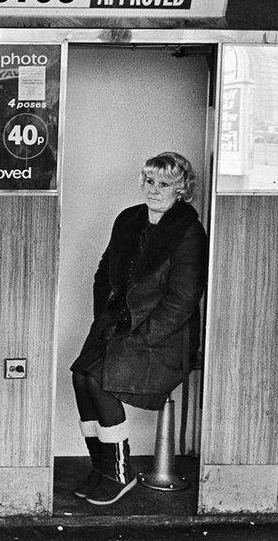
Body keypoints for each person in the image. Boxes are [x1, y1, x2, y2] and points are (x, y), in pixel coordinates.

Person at [70, 152, 207, 506]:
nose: (154, 189)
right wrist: (105, 318)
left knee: (98, 381)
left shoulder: (188, 231)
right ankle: (102, 467)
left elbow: (183, 299)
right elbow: (104, 272)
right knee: (81, 377)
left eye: (164, 183)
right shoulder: (129, 219)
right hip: (117, 327)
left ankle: (120, 473)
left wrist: (143, 338)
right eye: (149, 180)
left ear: (182, 189)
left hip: (163, 339)